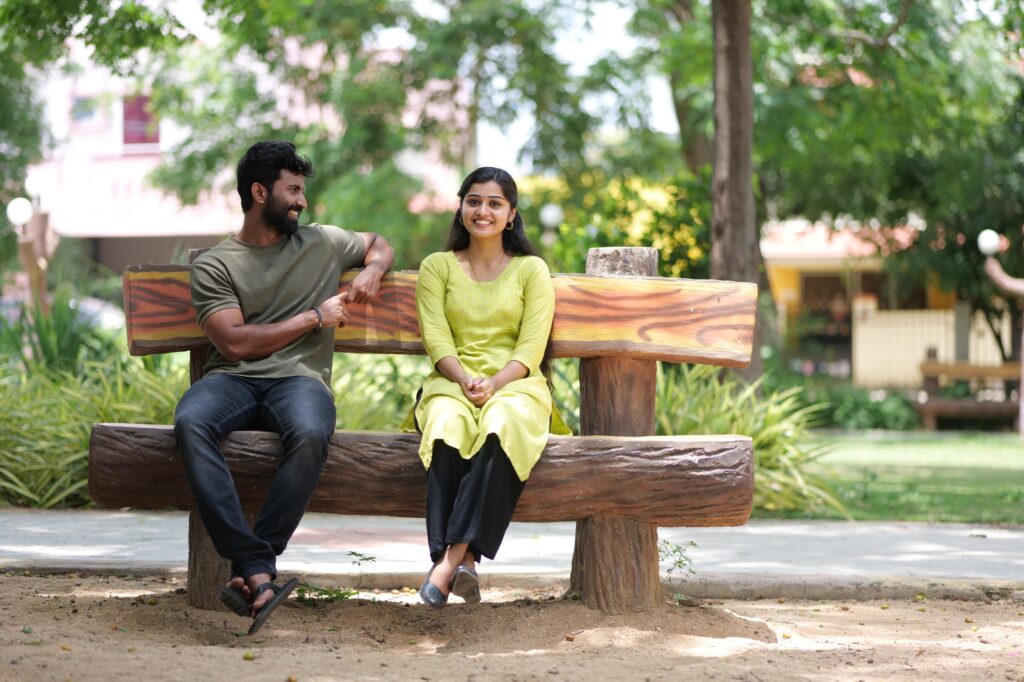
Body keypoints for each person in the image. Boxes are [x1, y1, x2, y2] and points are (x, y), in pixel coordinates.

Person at [173, 141, 394, 633]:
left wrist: (375, 268)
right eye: (292, 190)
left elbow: (378, 241)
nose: (302, 201)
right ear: (259, 193)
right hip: (232, 380)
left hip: (298, 381)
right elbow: (234, 343)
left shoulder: (322, 243)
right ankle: (258, 567)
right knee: (191, 422)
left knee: (312, 431)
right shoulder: (215, 264)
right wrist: (315, 317)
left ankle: (253, 567)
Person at [411, 166, 570, 609]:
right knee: (447, 423)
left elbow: (531, 345)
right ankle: (464, 562)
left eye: (495, 203)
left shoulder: (530, 270)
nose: (483, 211)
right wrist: (464, 379)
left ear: (511, 214)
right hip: (451, 381)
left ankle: (447, 563)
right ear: (461, 208)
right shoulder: (437, 267)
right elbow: (436, 339)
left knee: (502, 421)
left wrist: (496, 383)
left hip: (516, 384)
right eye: (474, 201)